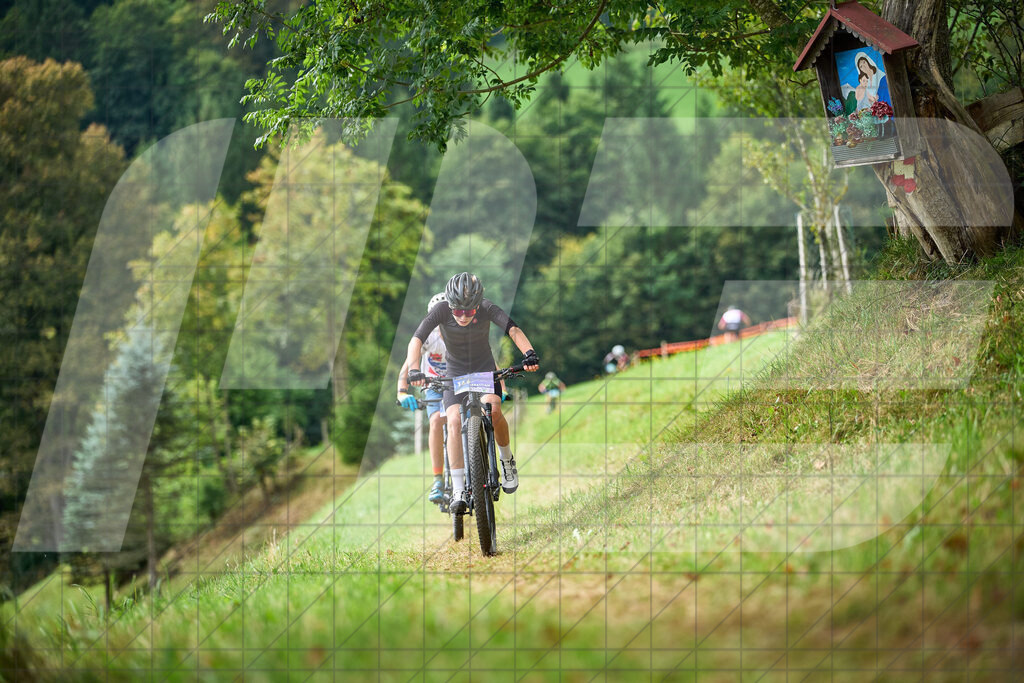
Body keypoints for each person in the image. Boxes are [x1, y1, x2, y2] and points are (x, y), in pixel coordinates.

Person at [406, 272, 539, 515]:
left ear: (478, 305)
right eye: (458, 311)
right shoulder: (441, 310)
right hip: (454, 372)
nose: (463, 316)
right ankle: (458, 490)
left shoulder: (487, 307)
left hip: (483, 368)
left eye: (470, 311)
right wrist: (414, 370)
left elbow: (513, 329)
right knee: (454, 420)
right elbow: (416, 339)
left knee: (495, 409)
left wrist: (528, 353)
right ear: (450, 305)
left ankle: (507, 461)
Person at [397, 292, 449, 504]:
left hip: (460, 382)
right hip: (434, 384)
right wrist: (401, 390)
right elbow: (409, 363)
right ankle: (438, 479)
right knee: (436, 421)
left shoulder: (464, 332)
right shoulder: (430, 336)